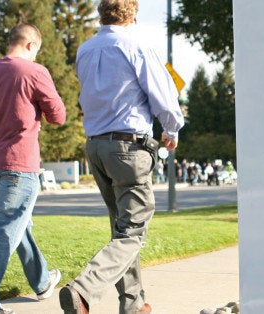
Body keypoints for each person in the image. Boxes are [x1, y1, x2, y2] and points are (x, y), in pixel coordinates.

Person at [59, 1, 184, 314]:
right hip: (128, 148)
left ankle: (134, 304)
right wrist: (172, 129)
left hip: (96, 147)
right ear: (134, 14)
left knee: (122, 229)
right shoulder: (138, 46)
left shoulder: (85, 51)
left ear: (102, 14)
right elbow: (164, 97)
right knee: (133, 232)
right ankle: (84, 290)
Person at [0, 23, 66, 314]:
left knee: (18, 226)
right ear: (31, 45)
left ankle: (42, 281)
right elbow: (58, 116)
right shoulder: (34, 72)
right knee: (4, 232)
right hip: (20, 163)